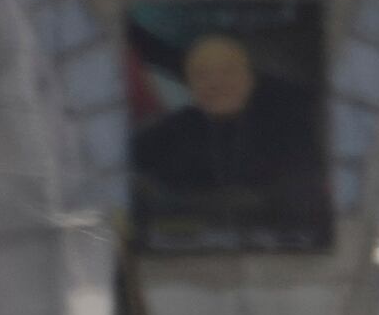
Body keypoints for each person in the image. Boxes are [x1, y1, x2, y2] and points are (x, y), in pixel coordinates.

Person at [132, 22, 326, 251]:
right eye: (201, 75)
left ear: (249, 79)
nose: (215, 83)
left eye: (227, 72)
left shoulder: (292, 120)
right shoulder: (173, 132)